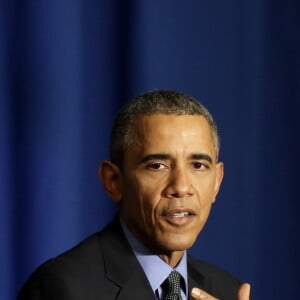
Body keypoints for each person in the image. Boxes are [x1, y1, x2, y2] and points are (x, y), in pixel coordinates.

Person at [18, 90, 250, 300]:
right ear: (113, 181)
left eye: (198, 165)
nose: (181, 187)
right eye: (158, 165)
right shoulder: (61, 288)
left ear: (217, 181)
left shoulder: (227, 290)